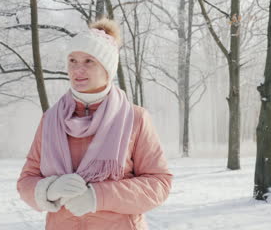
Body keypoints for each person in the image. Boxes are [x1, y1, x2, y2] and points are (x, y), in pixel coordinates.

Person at [16, 18, 172, 229]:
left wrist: (98, 196)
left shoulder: (135, 118)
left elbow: (158, 183)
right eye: (73, 61)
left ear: (107, 68)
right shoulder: (51, 119)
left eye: (89, 61)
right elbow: (27, 180)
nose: (78, 69)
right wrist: (48, 190)